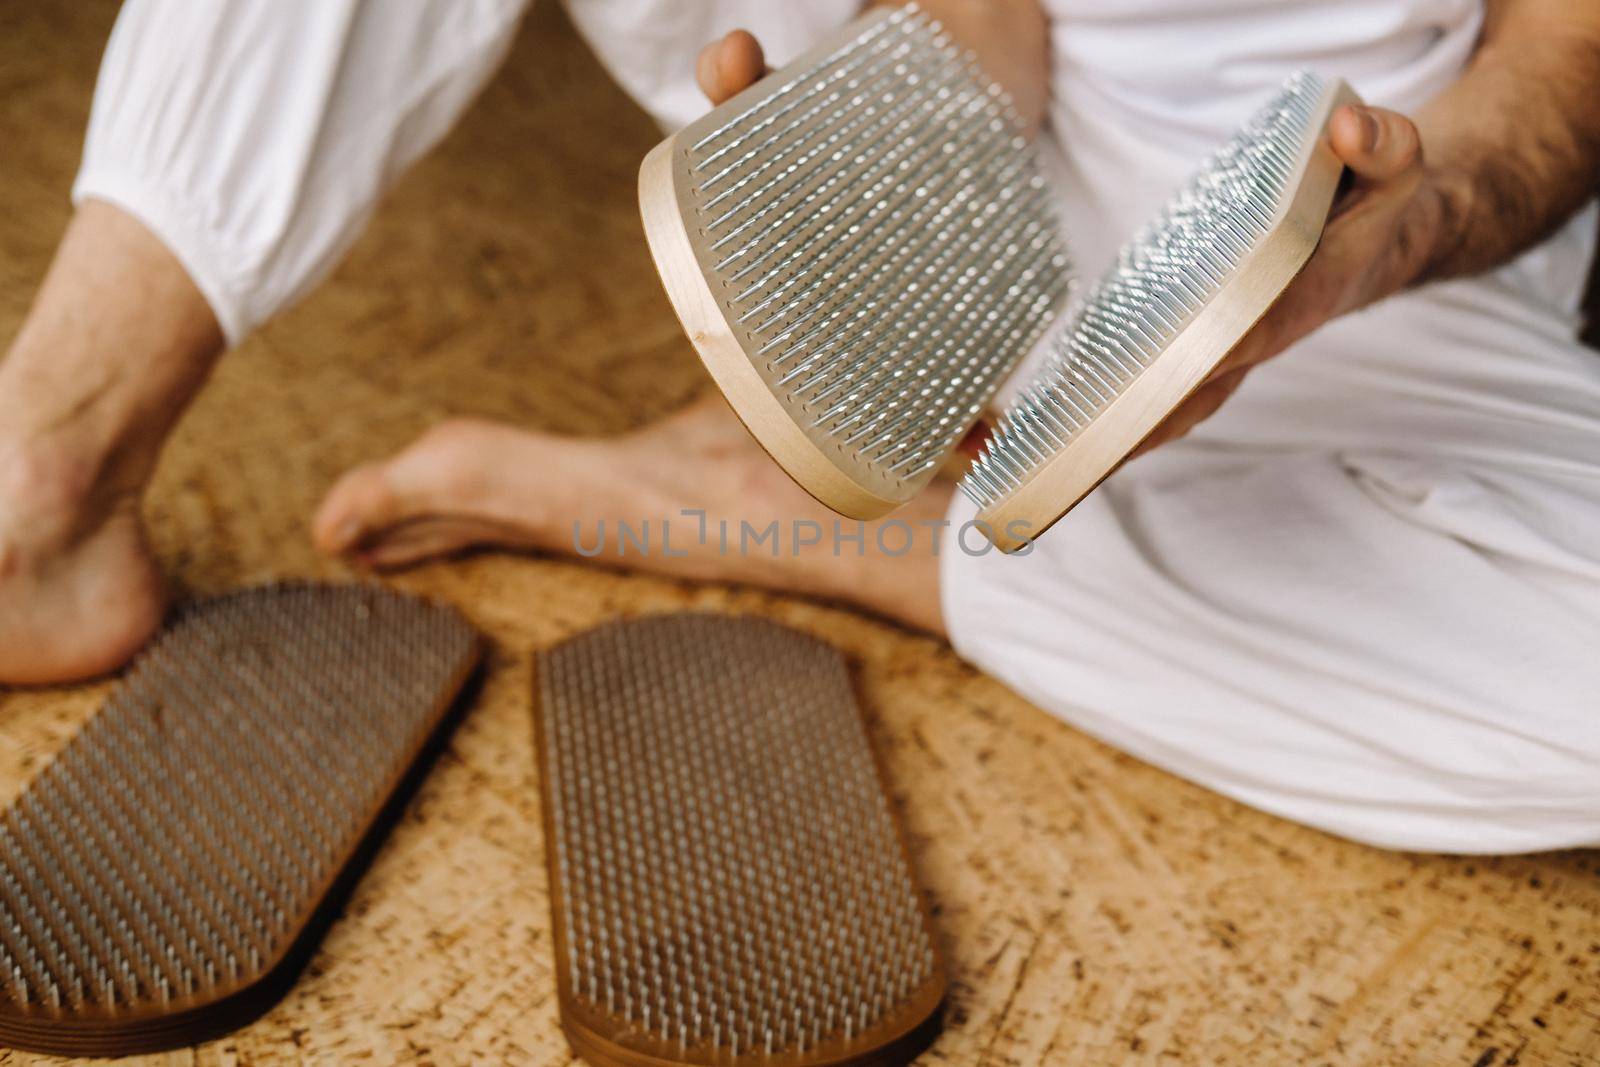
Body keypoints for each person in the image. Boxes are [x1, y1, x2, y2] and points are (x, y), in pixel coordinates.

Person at [2, 0, 1597, 852]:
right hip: (978, 134)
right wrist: (895, 151)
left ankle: (840, 528)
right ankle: (47, 471)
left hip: (1382, 241)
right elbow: (993, 11)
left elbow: (1566, 57)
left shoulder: (1398, 222)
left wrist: (1409, 215)